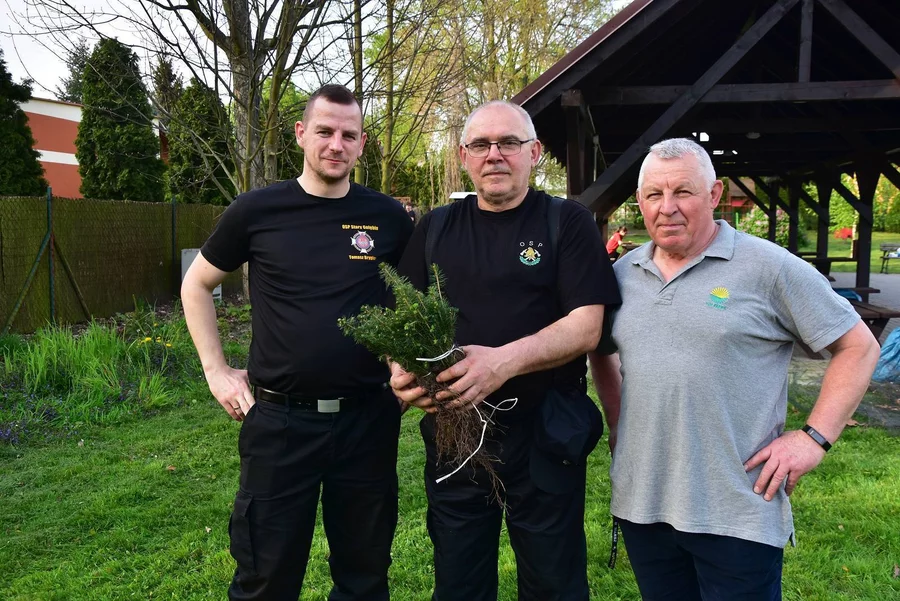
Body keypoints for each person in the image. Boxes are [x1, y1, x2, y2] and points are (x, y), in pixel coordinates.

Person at [589, 137, 880, 600]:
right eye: (654, 194)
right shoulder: (622, 274)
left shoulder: (769, 267)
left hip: (738, 508)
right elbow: (599, 347)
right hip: (642, 502)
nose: (667, 208)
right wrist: (617, 420)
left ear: (714, 194)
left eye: (683, 191)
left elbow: (858, 346)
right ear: (640, 200)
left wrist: (814, 438)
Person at [181, 84, 413, 601]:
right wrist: (216, 371)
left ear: (362, 144)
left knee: (365, 575)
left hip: (367, 421)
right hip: (281, 424)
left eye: (348, 135)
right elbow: (196, 284)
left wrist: (404, 365)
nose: (336, 144)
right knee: (266, 577)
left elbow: (413, 299)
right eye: (325, 131)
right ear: (301, 133)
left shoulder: (389, 218)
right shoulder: (257, 210)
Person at [390, 100, 621, 601]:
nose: (494, 154)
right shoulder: (435, 228)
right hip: (457, 432)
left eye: (509, 143)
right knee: (459, 582)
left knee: (553, 583)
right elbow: (402, 320)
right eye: (480, 144)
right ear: (464, 156)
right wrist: (401, 370)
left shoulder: (567, 222)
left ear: (533, 153)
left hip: (545, 433)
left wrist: (501, 363)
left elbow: (586, 326)